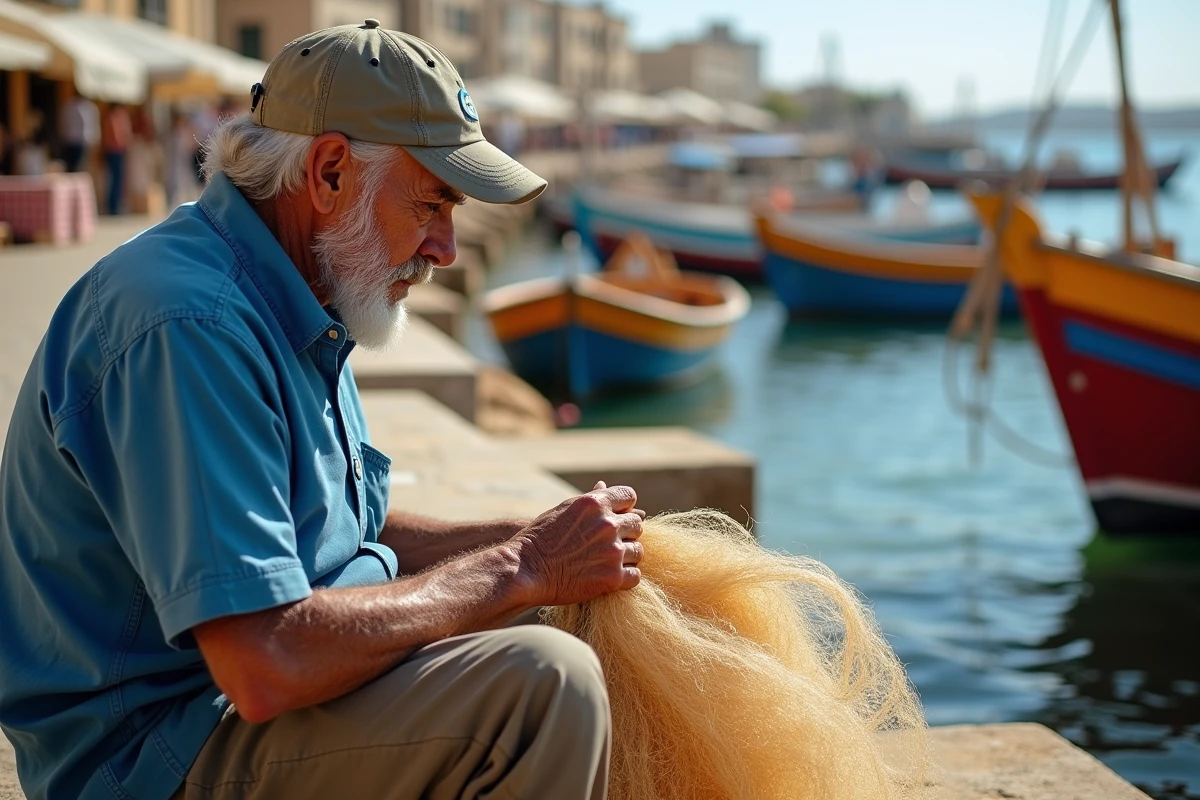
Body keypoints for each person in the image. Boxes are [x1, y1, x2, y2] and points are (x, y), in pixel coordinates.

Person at [0, 20, 643, 800]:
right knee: (547, 685)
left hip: (214, 716)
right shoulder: (188, 326)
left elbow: (338, 533)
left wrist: (528, 540)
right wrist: (522, 566)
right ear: (331, 171)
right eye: (433, 203)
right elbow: (264, 660)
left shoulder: (295, 288)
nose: (444, 247)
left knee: (549, 622)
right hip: (151, 755)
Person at [101, 104, 132, 214]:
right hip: (115, 151)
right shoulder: (113, 118)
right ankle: (113, 206)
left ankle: (114, 205)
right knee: (116, 180)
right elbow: (117, 136)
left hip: (114, 151)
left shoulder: (113, 118)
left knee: (116, 179)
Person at [59, 88, 99, 173]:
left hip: (76, 141)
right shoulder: (86, 107)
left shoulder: (71, 106)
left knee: (77, 168)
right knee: (76, 168)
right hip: (77, 141)